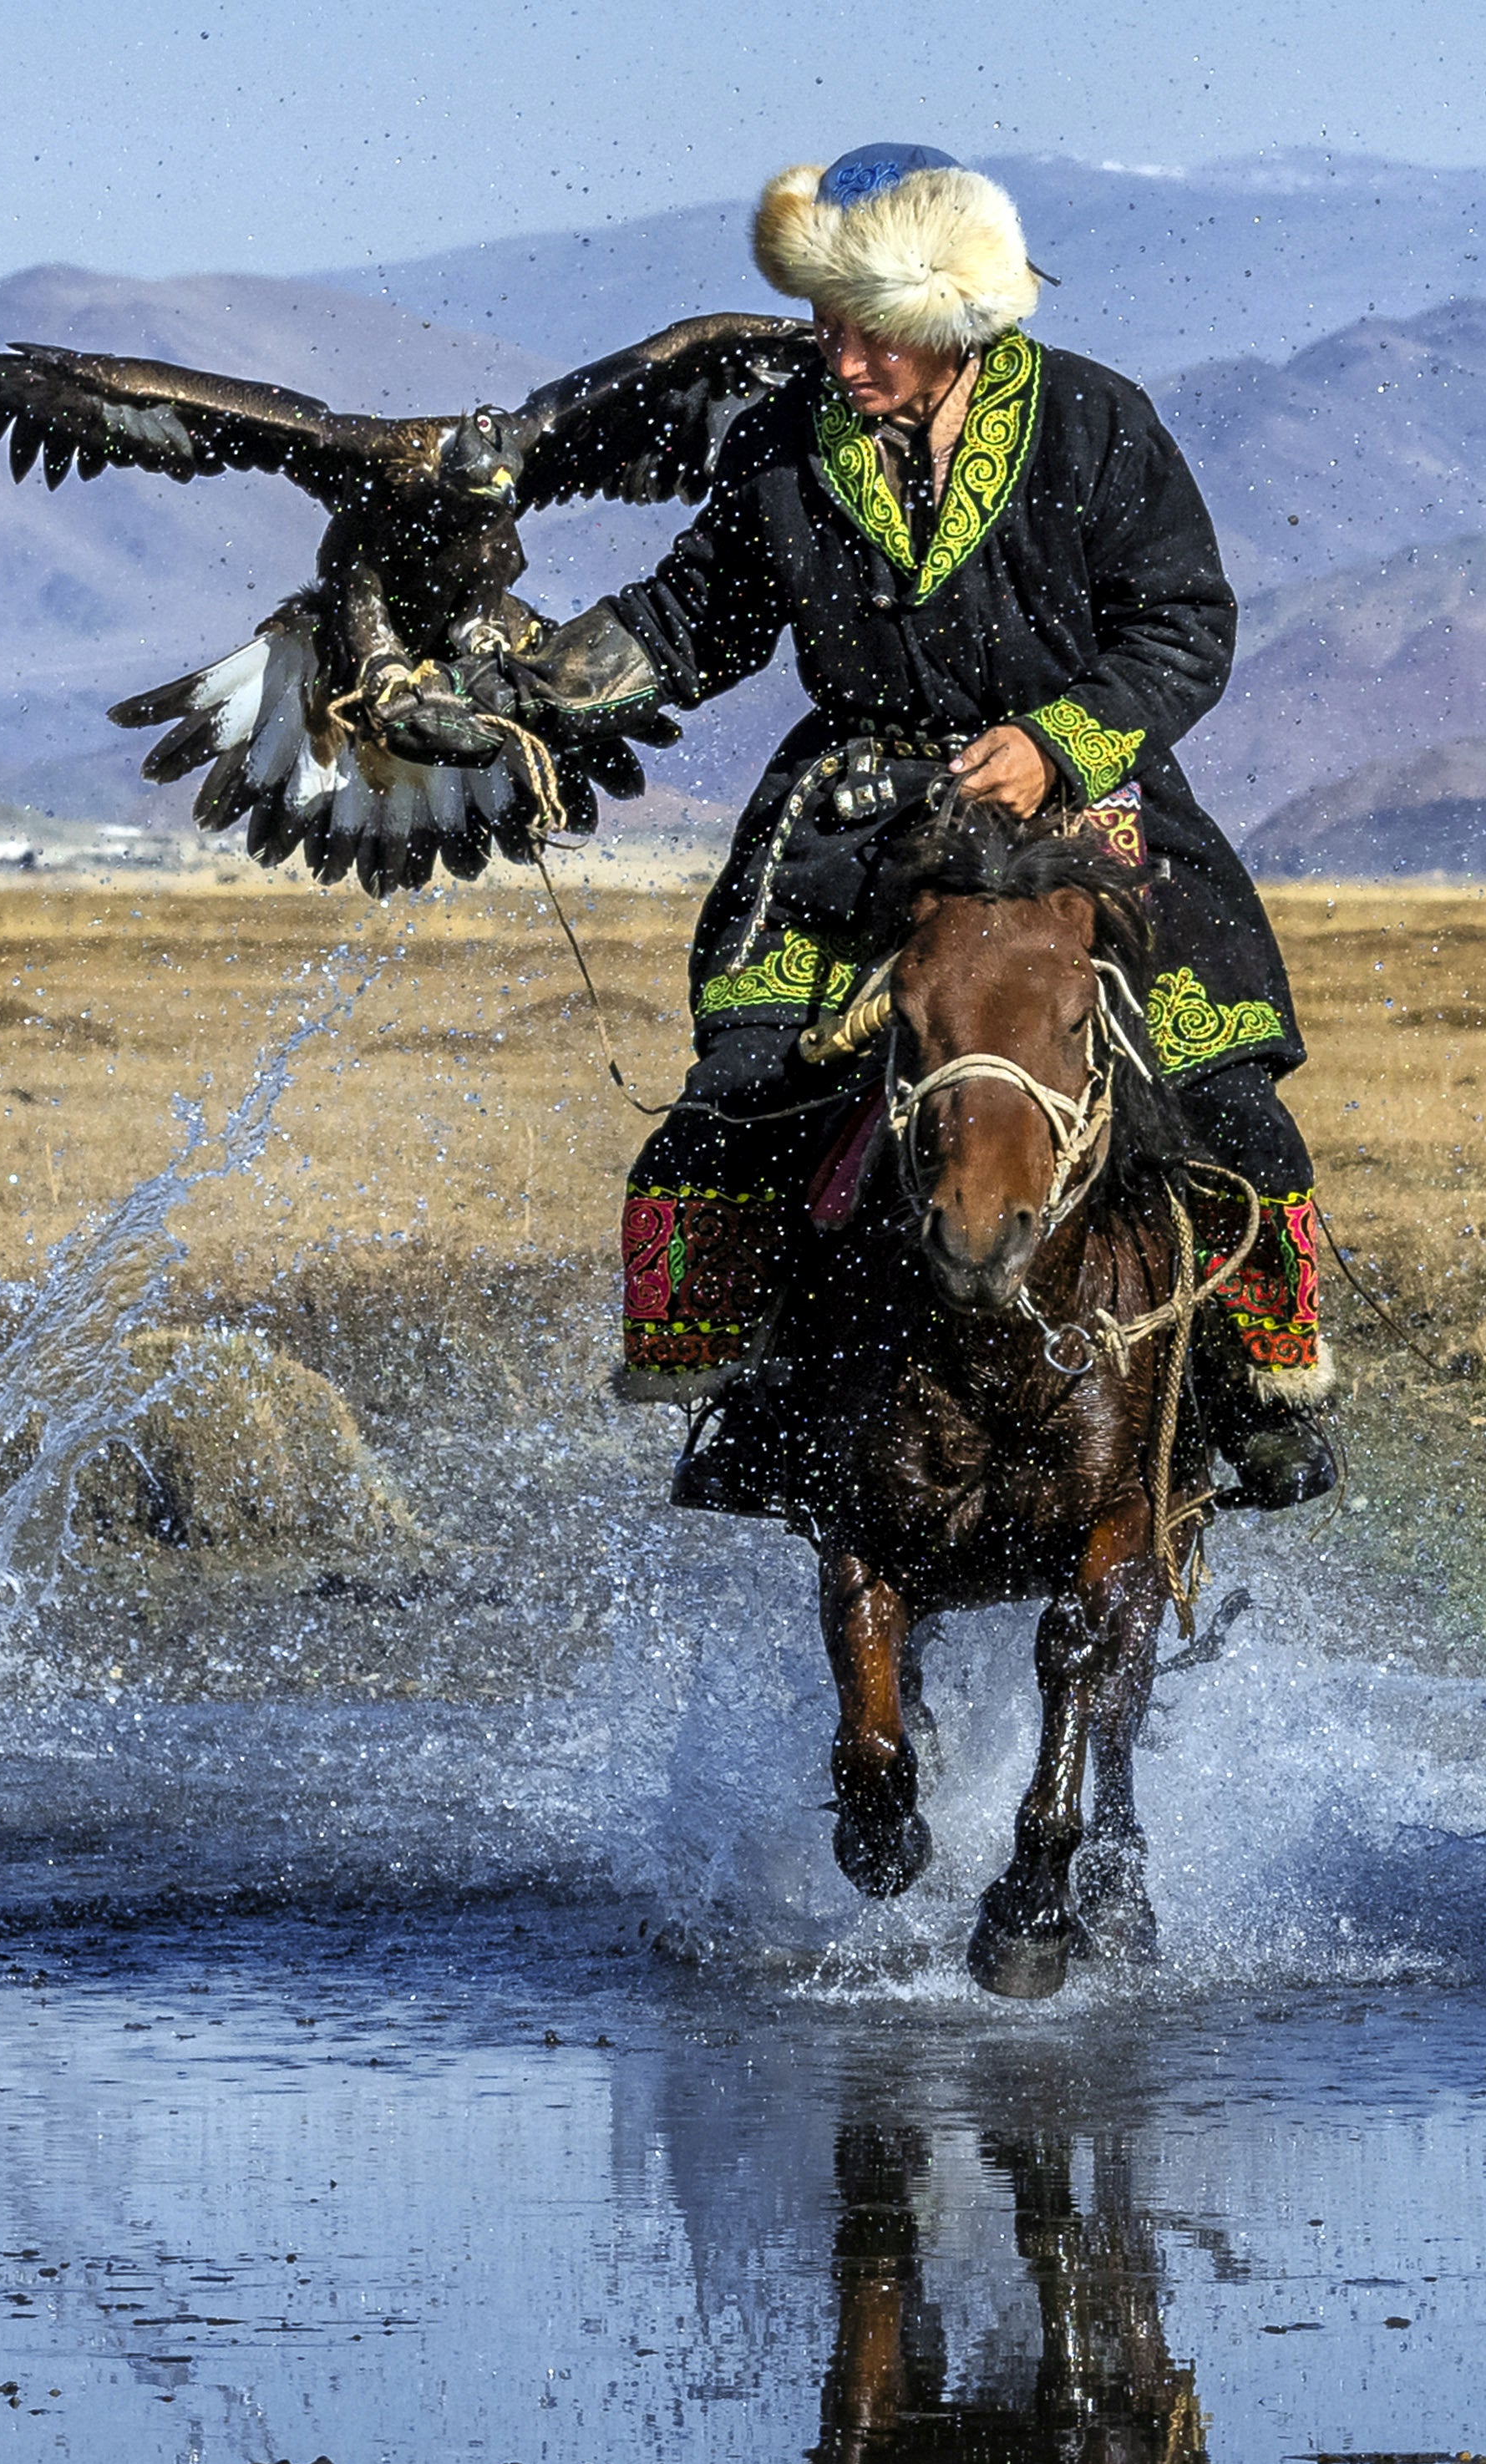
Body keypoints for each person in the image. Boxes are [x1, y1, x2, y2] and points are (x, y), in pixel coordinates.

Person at [479, 144, 1341, 1513]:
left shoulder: (1094, 423)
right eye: (824, 325)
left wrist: (1059, 739)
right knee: (738, 1107)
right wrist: (529, 690)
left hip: (1090, 818)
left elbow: (1186, 625)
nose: (837, 358)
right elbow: (693, 620)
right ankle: (757, 1407)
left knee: (1229, 1105)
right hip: (855, 826)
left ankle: (1256, 1402)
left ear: (948, 317)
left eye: (865, 329)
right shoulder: (782, 446)